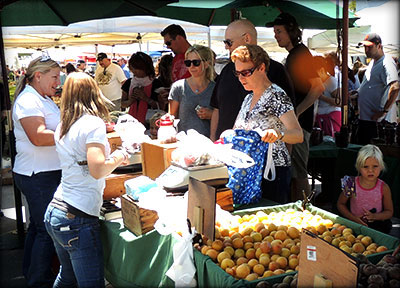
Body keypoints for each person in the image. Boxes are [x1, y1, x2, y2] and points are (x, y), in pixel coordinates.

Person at [44, 72, 131, 287]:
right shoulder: (91, 123)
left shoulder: (64, 124)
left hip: (57, 210)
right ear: (94, 92)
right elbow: (98, 169)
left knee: (68, 276)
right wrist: (120, 156)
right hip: (77, 217)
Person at [12, 56, 62, 287]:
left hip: (43, 172)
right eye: (54, 77)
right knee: (46, 230)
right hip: (38, 174)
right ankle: (38, 281)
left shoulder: (42, 98)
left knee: (38, 227)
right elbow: (39, 137)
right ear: (38, 76)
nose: (58, 81)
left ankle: (31, 274)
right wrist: (72, 136)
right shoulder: (28, 100)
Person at [231, 44, 303, 203]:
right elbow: (235, 130)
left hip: (273, 172)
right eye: (237, 73)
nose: (241, 78)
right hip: (250, 171)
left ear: (261, 68)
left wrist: (278, 135)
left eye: (246, 72)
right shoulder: (248, 98)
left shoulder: (277, 95)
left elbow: (298, 135)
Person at [267, 12, 324, 200]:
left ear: (291, 31)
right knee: (293, 173)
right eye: (275, 32)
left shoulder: (300, 54)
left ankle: (306, 213)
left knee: (299, 173)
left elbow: (318, 87)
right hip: (293, 124)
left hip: (299, 125)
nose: (276, 35)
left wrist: (297, 113)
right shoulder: (294, 54)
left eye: (279, 31)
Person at [210, 19, 294, 142]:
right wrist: (216, 140)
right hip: (235, 153)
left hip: (268, 157)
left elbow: (293, 127)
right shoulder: (229, 73)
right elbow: (217, 108)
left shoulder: (276, 80)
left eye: (229, 42)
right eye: (237, 73)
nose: (226, 47)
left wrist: (279, 135)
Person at [337, 145, 393, 234]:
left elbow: (389, 212)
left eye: (375, 166)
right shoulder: (351, 183)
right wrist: (354, 219)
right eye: (365, 167)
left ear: (381, 166)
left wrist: (374, 216)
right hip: (354, 224)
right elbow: (340, 204)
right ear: (359, 167)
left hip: (377, 226)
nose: (370, 170)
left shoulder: (384, 187)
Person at [356, 33, 399, 144]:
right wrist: (357, 93)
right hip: (367, 121)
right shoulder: (373, 62)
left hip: (378, 124)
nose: (366, 50)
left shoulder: (386, 62)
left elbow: (395, 87)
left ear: (379, 46)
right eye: (365, 47)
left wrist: (384, 111)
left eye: (369, 47)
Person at [168, 44, 216, 137]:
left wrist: (212, 115)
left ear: (207, 64)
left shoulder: (215, 88)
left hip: (208, 143)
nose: (191, 66)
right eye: (188, 63)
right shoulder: (178, 87)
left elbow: (222, 116)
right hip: (184, 142)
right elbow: (171, 117)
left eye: (196, 62)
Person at [120, 52, 163, 125]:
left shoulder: (156, 83)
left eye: (137, 68)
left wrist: (145, 98)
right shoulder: (129, 83)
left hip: (151, 123)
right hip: (132, 122)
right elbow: (123, 104)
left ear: (146, 68)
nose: (134, 71)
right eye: (132, 68)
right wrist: (131, 100)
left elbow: (161, 106)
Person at [313, 56, 341, 138]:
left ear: (322, 70)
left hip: (331, 119)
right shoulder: (320, 81)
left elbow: (340, 102)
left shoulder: (332, 82)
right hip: (321, 119)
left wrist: (321, 97)